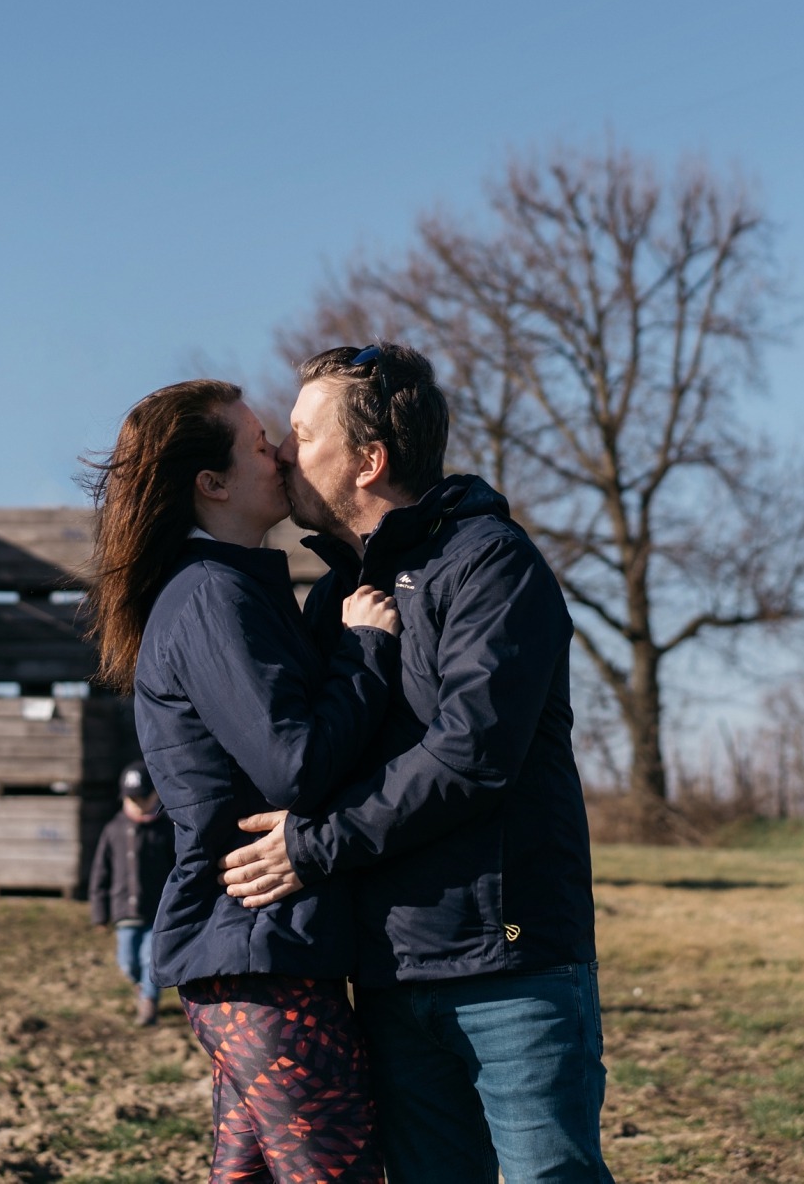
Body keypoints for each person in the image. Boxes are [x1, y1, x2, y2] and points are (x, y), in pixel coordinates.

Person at [219, 343, 613, 1184]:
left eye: (301, 433)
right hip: (390, 974)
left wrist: (313, 845)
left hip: (511, 964)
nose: (283, 453)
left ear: (370, 460)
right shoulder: (334, 600)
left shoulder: (489, 565)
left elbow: (471, 756)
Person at [84, 377, 401, 1184]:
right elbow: (289, 762)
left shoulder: (233, 591)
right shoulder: (211, 597)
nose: (285, 455)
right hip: (260, 953)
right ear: (213, 484)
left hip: (255, 953)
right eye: (263, 445)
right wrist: (364, 650)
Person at [89, 760, 175, 1027]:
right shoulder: (113, 829)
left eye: (142, 798)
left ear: (156, 795)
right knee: (127, 961)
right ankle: (140, 987)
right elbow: (100, 873)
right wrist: (99, 913)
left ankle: (149, 1003)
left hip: (157, 911)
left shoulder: (166, 829)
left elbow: (178, 867)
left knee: (150, 959)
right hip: (124, 911)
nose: (137, 805)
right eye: (131, 799)